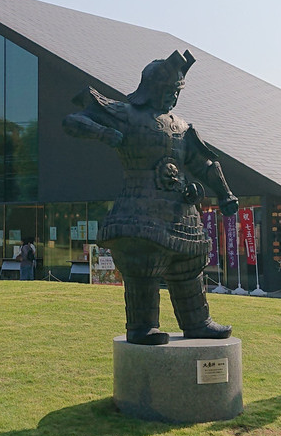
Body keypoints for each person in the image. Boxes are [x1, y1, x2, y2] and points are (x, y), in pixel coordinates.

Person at [63, 49, 238, 345]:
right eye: (167, 90)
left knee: (188, 265)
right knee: (143, 264)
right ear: (151, 88)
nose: (172, 97)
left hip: (180, 212)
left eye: (176, 92)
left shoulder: (182, 128)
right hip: (137, 209)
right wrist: (104, 134)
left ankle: (197, 321)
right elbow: (73, 120)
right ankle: (142, 326)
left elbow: (203, 164)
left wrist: (224, 193)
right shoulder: (127, 114)